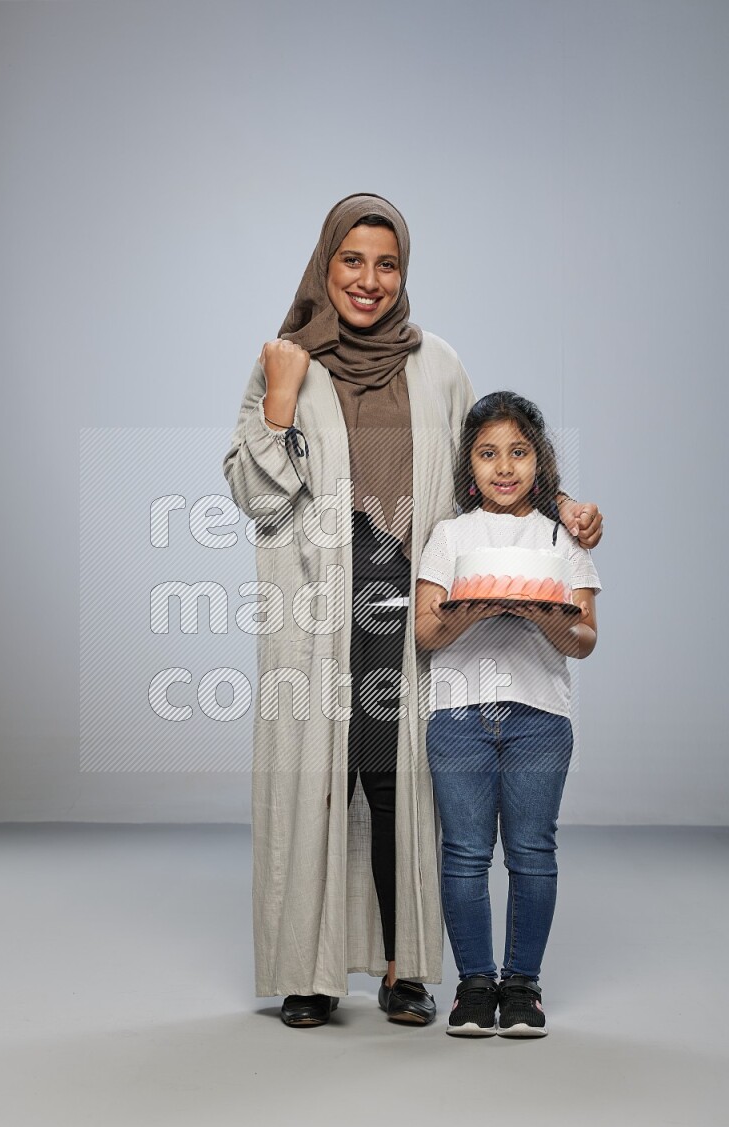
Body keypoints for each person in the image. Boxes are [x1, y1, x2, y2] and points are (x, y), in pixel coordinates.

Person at [223, 195, 603, 1029]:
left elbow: (485, 474)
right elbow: (255, 494)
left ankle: (404, 969)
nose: (369, 280)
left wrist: (562, 505)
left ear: (405, 274)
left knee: (398, 787)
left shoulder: (438, 365)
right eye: (351, 260)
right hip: (316, 611)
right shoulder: (285, 361)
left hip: (408, 603)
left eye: (387, 263)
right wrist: (282, 400)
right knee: (318, 784)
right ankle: (309, 972)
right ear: (326, 263)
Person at [415, 391, 601, 1037]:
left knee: (531, 852)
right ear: (470, 464)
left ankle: (522, 987)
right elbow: (425, 634)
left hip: (540, 716)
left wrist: (545, 618)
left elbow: (585, 640)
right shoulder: (450, 534)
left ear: (539, 462)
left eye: (518, 452)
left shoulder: (560, 536)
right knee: (465, 853)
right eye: (489, 453)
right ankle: (474, 986)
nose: (504, 466)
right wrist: (469, 612)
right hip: (459, 714)